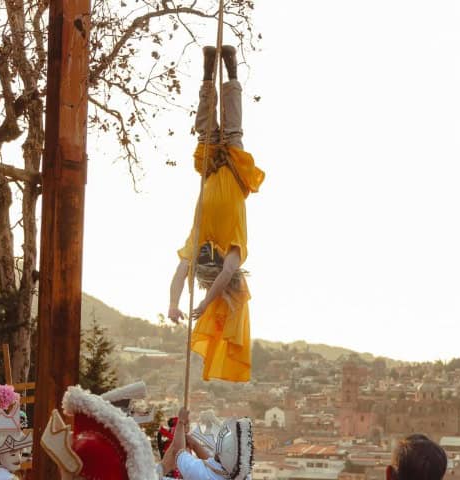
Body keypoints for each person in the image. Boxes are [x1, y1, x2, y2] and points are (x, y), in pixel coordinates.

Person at [168, 44, 264, 383]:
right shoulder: (234, 250)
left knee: (206, 128)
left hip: (211, 170)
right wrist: (208, 301)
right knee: (234, 128)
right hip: (234, 172)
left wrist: (173, 304)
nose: (208, 260)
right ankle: (232, 71)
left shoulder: (198, 243)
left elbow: (181, 272)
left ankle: (209, 72)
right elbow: (225, 276)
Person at [161, 408, 252, 480]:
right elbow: (212, 463)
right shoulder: (243, 474)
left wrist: (180, 422)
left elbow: (178, 452)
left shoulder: (202, 474)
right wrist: (194, 444)